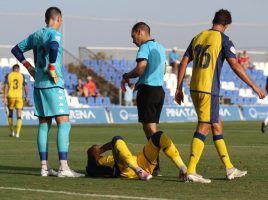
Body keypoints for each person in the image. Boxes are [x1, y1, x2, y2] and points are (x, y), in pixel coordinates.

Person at [175, 9, 266, 183]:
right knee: (205, 126)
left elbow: (184, 60)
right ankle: (191, 170)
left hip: (194, 87)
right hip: (209, 89)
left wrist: (178, 87)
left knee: (217, 124)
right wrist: (254, 85)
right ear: (227, 25)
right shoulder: (224, 40)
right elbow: (235, 65)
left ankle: (229, 168)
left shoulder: (198, 36)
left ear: (214, 21)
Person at [11, 7, 84, 178]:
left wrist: (28, 67)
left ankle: (44, 167)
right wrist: (52, 67)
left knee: (44, 125)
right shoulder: (55, 33)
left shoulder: (35, 35)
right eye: (61, 20)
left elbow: (15, 49)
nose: (61, 23)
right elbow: (53, 47)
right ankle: (63, 167)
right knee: (64, 123)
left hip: (39, 85)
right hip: (53, 84)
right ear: (57, 19)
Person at [121, 22, 166, 176]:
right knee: (151, 128)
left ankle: (155, 164)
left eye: (133, 36)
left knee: (150, 130)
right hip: (159, 91)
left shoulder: (144, 47)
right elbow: (160, 70)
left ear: (140, 32)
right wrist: (139, 83)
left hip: (148, 92)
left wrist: (126, 76)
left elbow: (141, 68)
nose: (133, 41)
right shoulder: (160, 47)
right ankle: (155, 163)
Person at [86, 131, 187, 180]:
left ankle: (183, 168)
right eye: (94, 149)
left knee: (158, 136)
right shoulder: (94, 166)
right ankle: (139, 171)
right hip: (126, 168)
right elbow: (106, 172)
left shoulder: (103, 158)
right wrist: (99, 150)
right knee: (117, 139)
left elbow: (113, 145)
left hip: (141, 161)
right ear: (92, 156)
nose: (96, 148)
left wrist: (100, 150)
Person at [3, 64, 28, 138]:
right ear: (18, 69)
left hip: (10, 96)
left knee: (10, 114)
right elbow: (25, 86)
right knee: (19, 114)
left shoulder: (9, 75)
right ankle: (18, 133)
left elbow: (6, 86)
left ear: (13, 69)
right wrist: (26, 96)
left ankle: (12, 132)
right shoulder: (22, 75)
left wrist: (4, 97)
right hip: (19, 97)